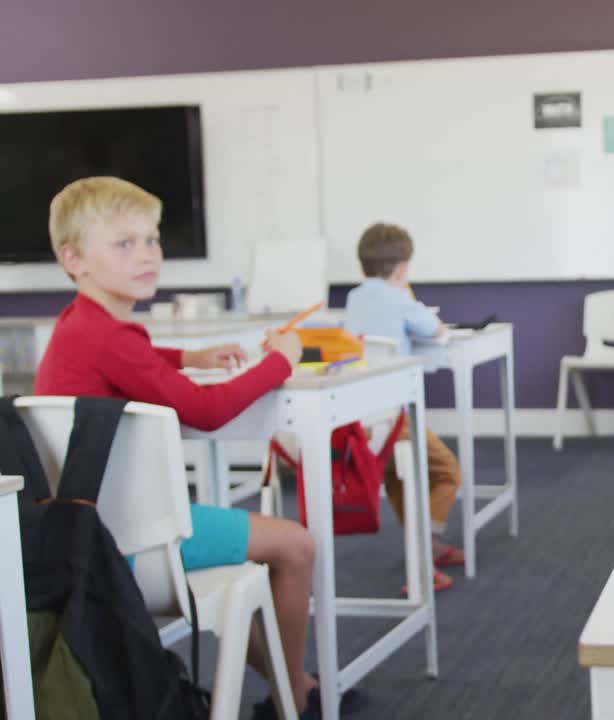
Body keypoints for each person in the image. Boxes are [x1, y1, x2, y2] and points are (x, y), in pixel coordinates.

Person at [34, 176, 329, 718]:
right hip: (125, 549)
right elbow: (207, 411)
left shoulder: (81, 325)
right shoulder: (109, 336)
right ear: (73, 258)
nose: (148, 254)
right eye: (125, 244)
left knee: (253, 556)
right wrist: (281, 361)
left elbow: (134, 357)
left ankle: (293, 684)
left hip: (85, 536)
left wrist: (188, 358)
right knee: (297, 545)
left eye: (152, 239)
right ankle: (294, 692)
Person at [343, 222, 464, 590]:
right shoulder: (400, 300)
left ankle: (424, 547)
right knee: (448, 472)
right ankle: (424, 554)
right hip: (394, 415)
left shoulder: (354, 299)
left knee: (399, 479)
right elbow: (438, 331)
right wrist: (409, 299)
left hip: (359, 416)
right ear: (401, 269)